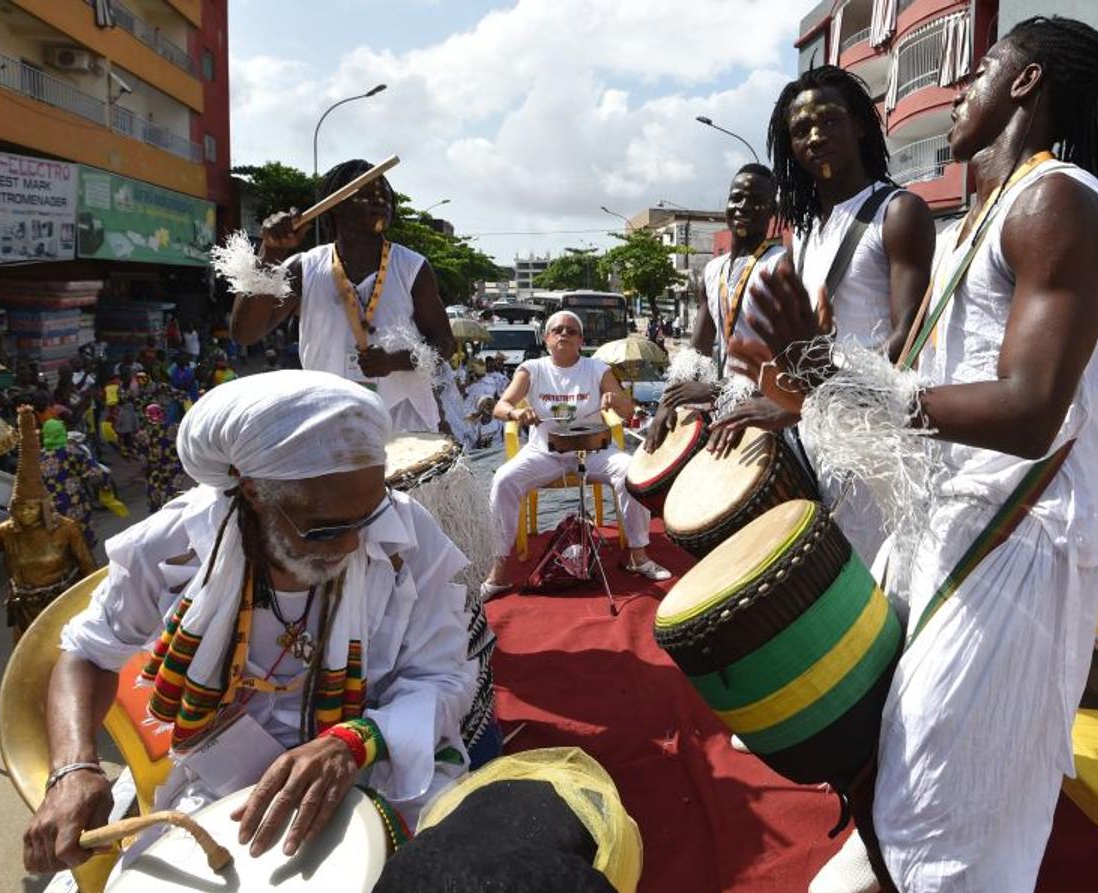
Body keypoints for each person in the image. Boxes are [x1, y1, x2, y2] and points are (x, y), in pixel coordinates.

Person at [729, 16, 1098, 893]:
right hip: (945, 512)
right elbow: (912, 373)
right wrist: (816, 377)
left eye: (986, 66)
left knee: (960, 774)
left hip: (1020, 533)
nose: (960, 87)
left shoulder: (1059, 199)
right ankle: (893, 861)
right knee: (897, 733)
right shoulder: (976, 218)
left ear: (1027, 84)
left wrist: (851, 394)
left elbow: (1032, 410)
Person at [22, 370, 476, 875]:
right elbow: (86, 654)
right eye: (325, 529)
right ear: (255, 491)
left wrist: (353, 741)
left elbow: (447, 678)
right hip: (224, 788)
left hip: (384, 762)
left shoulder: (406, 534)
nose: (352, 545)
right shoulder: (175, 545)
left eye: (366, 518)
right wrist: (73, 768)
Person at [712, 64, 935, 569]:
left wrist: (808, 398)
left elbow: (909, 340)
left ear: (858, 125)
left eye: (829, 121)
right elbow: (793, 346)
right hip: (815, 438)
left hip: (875, 449)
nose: (815, 136)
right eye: (800, 130)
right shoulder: (806, 232)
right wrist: (756, 392)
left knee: (873, 591)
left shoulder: (898, 212)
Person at [229, 159, 457, 432]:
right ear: (334, 206)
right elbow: (244, 334)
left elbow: (445, 344)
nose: (380, 199)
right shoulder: (304, 268)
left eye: (384, 194)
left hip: (402, 418)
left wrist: (393, 361)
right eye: (365, 194)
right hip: (329, 419)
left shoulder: (412, 267)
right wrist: (271, 253)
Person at [481, 311, 671, 600]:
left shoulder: (597, 369)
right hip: (545, 452)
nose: (564, 334)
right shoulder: (531, 369)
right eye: (557, 330)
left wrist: (614, 399)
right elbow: (500, 406)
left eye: (571, 331)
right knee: (504, 480)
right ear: (546, 339)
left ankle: (638, 556)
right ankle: (500, 569)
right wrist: (516, 412)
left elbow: (628, 411)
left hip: (593, 448)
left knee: (631, 470)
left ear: (581, 340)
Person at [645, 164, 787, 452]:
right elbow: (697, 347)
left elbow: (786, 358)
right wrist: (666, 402)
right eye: (736, 198)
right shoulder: (713, 270)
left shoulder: (781, 265)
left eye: (756, 200)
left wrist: (715, 389)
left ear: (772, 211)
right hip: (725, 408)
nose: (743, 207)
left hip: (766, 414)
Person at [0, 408, 95, 641]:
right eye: (19, 507)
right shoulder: (6, 531)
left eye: (30, 507)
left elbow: (88, 571)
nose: (24, 512)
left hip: (64, 607)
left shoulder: (66, 528)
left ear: (43, 506)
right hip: (25, 614)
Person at [39, 417, 107, 547]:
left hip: (52, 505)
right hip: (74, 501)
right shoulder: (69, 450)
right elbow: (93, 470)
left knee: (65, 536)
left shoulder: (40, 455)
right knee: (82, 533)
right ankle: (87, 559)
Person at [141, 402, 187, 512]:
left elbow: (143, 456)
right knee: (171, 498)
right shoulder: (176, 427)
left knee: (156, 500)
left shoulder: (143, 434)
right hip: (174, 468)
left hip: (157, 470)